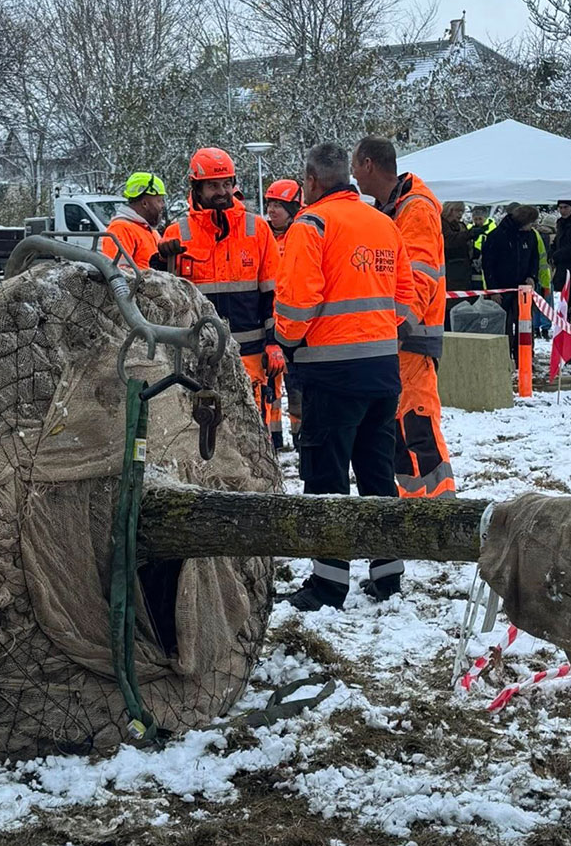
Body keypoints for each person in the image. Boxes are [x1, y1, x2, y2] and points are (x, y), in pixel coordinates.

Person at [275, 142, 415, 611]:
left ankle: (328, 585)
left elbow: (297, 303)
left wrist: (288, 340)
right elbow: (404, 298)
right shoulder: (382, 222)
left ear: (312, 181)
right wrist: (374, 333)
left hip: (330, 374)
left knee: (325, 479)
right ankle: (388, 577)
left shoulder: (311, 225)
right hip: (382, 369)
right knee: (378, 474)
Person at [352, 136, 457, 505]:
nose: (353, 175)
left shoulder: (415, 209)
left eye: (355, 165)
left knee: (418, 426)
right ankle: (413, 508)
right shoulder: (392, 209)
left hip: (410, 339)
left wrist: (398, 329)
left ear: (368, 164)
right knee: (399, 432)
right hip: (396, 340)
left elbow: (420, 279)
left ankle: (441, 509)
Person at [157, 147, 283, 423]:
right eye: (213, 185)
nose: (222, 192)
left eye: (227, 184)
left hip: (249, 354)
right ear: (196, 188)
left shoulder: (257, 229)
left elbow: (274, 293)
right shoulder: (177, 233)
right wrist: (160, 262)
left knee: (251, 425)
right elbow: (164, 297)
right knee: (200, 427)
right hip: (198, 355)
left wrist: (274, 342)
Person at [264, 179, 304, 450]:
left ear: (292, 208)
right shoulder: (263, 236)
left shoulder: (301, 235)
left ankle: (301, 438)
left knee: (298, 389)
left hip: (295, 326)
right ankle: (273, 439)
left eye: (278, 205)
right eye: (270, 204)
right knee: (270, 388)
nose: (272, 210)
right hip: (269, 325)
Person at [480, 203, 540, 358]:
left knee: (525, 325)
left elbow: (535, 258)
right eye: (531, 223)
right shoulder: (497, 236)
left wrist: (532, 276)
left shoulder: (531, 236)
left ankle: (524, 357)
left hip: (523, 289)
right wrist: (493, 290)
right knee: (503, 326)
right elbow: (488, 265)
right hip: (501, 289)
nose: (533, 226)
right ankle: (503, 357)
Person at [100, 172, 167, 269]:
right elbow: (118, 273)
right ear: (145, 203)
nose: (163, 205)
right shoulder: (121, 229)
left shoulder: (149, 230)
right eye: (159, 201)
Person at [441, 200, 473, 328]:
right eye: (458, 211)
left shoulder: (460, 225)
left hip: (462, 274)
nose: (460, 214)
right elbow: (449, 241)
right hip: (449, 273)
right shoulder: (441, 224)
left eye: (462, 211)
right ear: (450, 210)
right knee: (449, 310)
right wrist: (469, 234)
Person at [469, 206, 496, 284]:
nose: (478, 222)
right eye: (475, 219)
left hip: (487, 260)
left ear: (485, 218)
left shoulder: (492, 228)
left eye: (480, 219)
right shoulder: (470, 228)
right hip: (473, 261)